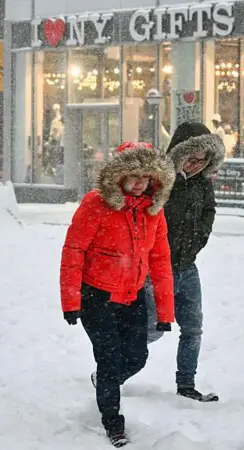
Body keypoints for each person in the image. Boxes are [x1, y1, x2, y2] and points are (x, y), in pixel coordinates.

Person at [60, 141, 176, 447]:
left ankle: (104, 382)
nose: (140, 183)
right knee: (110, 360)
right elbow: (74, 251)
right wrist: (71, 301)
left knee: (137, 357)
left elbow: (161, 261)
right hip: (96, 297)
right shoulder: (95, 204)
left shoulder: (154, 211)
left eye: (146, 177)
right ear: (119, 175)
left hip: (132, 297)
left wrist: (165, 313)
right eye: (133, 175)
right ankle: (113, 423)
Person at [149, 122, 225, 403]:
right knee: (150, 329)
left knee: (193, 328)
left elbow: (208, 212)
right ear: (179, 152)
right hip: (156, 269)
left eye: (202, 161)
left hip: (187, 266)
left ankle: (186, 384)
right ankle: (111, 374)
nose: (195, 165)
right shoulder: (159, 180)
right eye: (191, 159)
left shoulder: (202, 182)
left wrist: (197, 242)